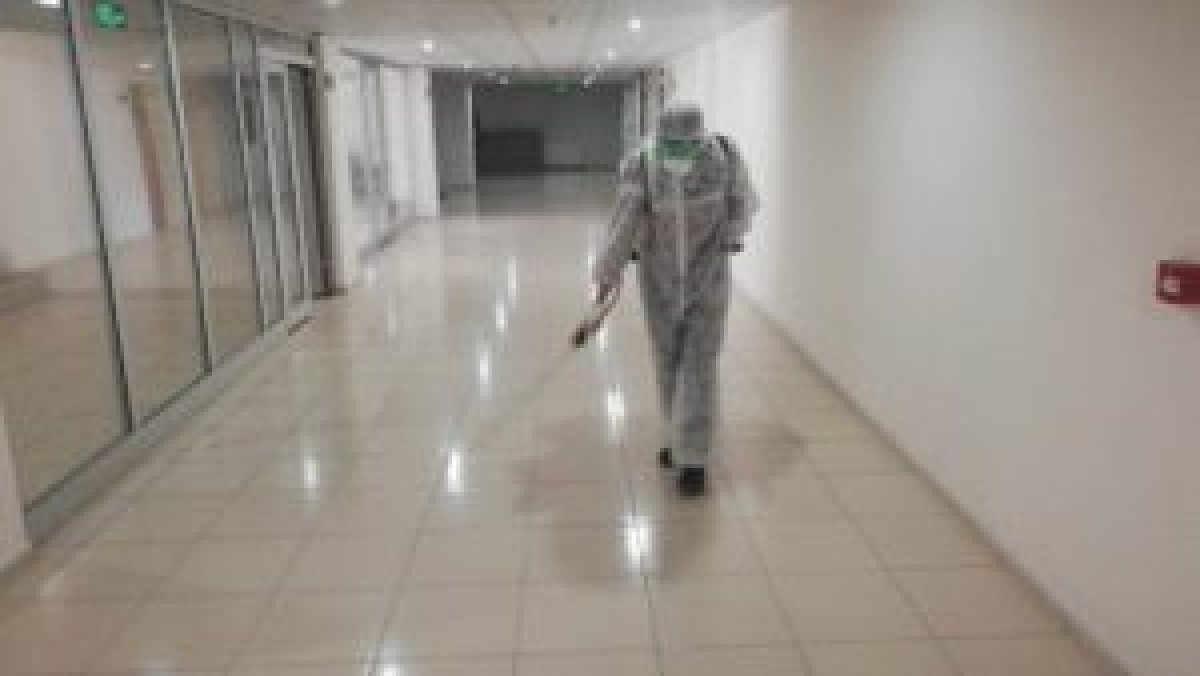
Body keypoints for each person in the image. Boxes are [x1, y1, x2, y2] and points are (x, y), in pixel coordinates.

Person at [577, 104, 758, 497]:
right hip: (658, 280)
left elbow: (742, 202)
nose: (676, 154)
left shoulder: (723, 157)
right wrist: (607, 273)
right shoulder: (642, 164)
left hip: (708, 278)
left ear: (699, 139)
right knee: (668, 360)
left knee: (699, 364)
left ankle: (694, 459)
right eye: (669, 146)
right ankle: (678, 437)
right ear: (658, 140)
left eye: (683, 146)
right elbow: (625, 220)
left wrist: (732, 236)